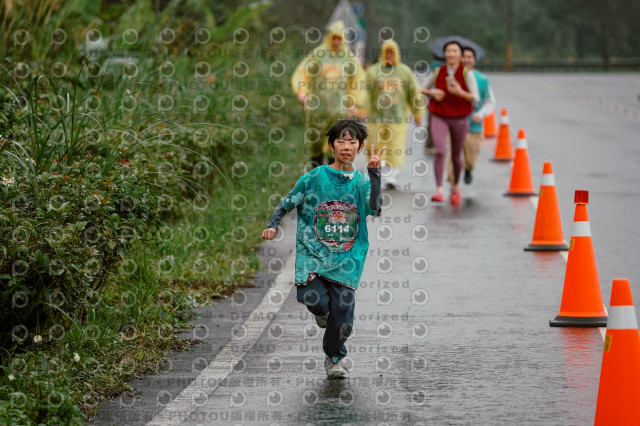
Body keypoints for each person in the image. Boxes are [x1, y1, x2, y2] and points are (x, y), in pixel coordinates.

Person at [261, 120, 383, 379]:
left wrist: (375, 174)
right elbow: (286, 202)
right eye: (341, 141)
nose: (346, 147)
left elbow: (374, 206)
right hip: (313, 257)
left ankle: (335, 358)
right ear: (331, 145)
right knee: (314, 300)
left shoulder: (361, 182)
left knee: (343, 316)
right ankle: (323, 314)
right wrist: (273, 225)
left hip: (347, 261)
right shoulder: (314, 178)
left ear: (360, 148)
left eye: (352, 142)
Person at [291, 20, 369, 168]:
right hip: (318, 109)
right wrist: (301, 91)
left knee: (337, 143)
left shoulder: (348, 58)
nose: (336, 41)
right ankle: (317, 174)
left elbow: (358, 80)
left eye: (339, 38)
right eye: (334, 38)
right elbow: (303, 72)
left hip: (339, 110)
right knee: (316, 142)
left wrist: (355, 102)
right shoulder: (318, 55)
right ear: (328, 38)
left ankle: (333, 179)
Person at [421, 41, 479, 206]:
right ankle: (439, 190)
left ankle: (455, 187)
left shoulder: (467, 73)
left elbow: (475, 98)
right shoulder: (438, 71)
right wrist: (432, 92)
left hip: (460, 118)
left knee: (455, 154)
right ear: (444, 54)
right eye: (448, 51)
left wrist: (459, 92)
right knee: (439, 151)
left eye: (455, 51)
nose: (451, 54)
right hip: (440, 115)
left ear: (460, 55)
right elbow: (422, 88)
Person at [365, 38, 424, 190]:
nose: (389, 55)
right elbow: (364, 93)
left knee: (395, 147)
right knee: (376, 147)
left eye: (392, 52)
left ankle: (391, 178)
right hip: (376, 118)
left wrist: (418, 113)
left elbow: (414, 93)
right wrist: (360, 109)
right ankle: (379, 174)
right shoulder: (372, 72)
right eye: (387, 52)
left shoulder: (404, 72)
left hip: (397, 119)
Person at [445, 46, 495, 185]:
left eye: (470, 57)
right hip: (454, 123)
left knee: (471, 159)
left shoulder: (482, 79)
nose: (466, 59)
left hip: (474, 125)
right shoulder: (450, 76)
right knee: (451, 156)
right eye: (464, 56)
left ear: (474, 60)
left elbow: (490, 101)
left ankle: (468, 169)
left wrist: (481, 114)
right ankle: (453, 184)